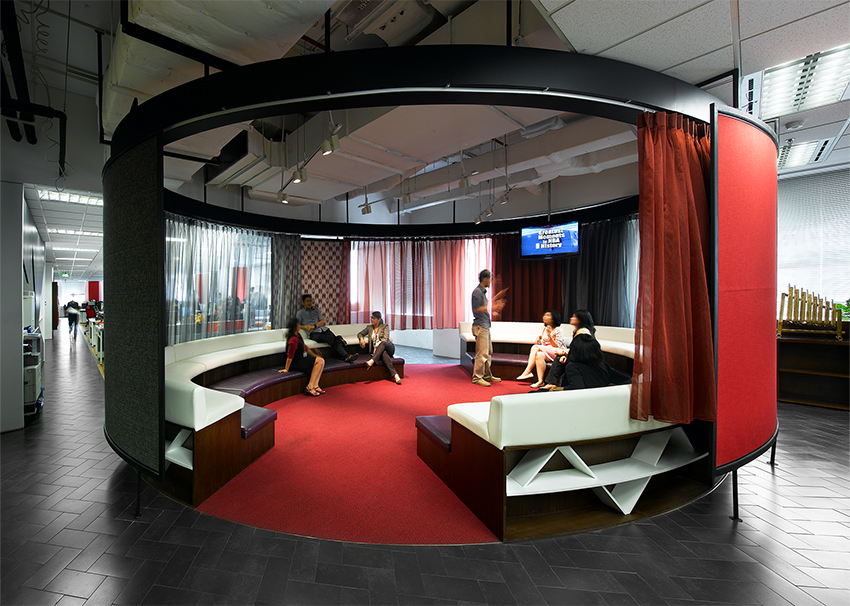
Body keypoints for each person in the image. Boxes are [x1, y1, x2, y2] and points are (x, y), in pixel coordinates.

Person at [547, 333, 631, 390]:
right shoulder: (604, 367)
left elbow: (577, 388)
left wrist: (555, 389)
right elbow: (628, 380)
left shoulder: (573, 367)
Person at [539, 309, 597, 390]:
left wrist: (566, 354)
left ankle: (552, 383)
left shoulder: (583, 333)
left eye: (574, 317)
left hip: (583, 361)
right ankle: (551, 383)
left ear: (580, 319)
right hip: (578, 357)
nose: (571, 318)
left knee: (559, 357)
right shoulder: (578, 331)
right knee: (560, 356)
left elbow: (581, 351)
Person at [296, 294, 358, 363]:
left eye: (310, 301)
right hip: (314, 333)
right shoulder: (300, 313)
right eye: (307, 301)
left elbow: (323, 320)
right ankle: (339, 339)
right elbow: (297, 325)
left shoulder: (315, 310)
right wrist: (306, 327)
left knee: (332, 340)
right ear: (303, 303)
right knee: (332, 339)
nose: (309, 303)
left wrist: (315, 326)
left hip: (324, 329)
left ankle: (346, 356)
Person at [471, 269, 506, 386]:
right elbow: (476, 309)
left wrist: (492, 310)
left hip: (484, 326)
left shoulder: (482, 292)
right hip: (480, 326)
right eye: (490, 278)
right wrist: (492, 306)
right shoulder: (477, 292)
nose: (491, 281)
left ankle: (487, 375)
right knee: (482, 353)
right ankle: (477, 377)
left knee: (488, 352)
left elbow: (482, 309)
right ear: (485, 279)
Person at [516, 310, 565, 388]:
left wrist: (550, 335)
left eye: (548, 315)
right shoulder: (544, 329)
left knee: (534, 347)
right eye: (544, 315)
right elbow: (544, 344)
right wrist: (539, 340)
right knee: (539, 355)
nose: (545, 317)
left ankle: (528, 370)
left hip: (557, 352)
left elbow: (557, 345)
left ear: (554, 318)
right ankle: (540, 381)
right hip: (548, 351)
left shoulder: (558, 330)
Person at [278, 317, 326, 396]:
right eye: (298, 325)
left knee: (321, 360)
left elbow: (304, 347)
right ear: (295, 327)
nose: (300, 326)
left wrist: (314, 355)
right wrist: (286, 369)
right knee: (319, 361)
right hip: (296, 363)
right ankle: (309, 387)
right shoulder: (293, 339)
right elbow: (290, 355)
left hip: (300, 360)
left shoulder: (297, 335)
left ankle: (315, 385)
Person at [357, 311, 401, 385]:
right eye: (371, 317)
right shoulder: (369, 328)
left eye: (373, 318)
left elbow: (385, 339)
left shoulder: (385, 326)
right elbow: (360, 333)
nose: (371, 319)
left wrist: (377, 348)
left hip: (388, 347)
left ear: (379, 319)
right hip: (380, 351)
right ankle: (395, 375)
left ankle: (372, 360)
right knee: (383, 354)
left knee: (383, 343)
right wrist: (361, 339)